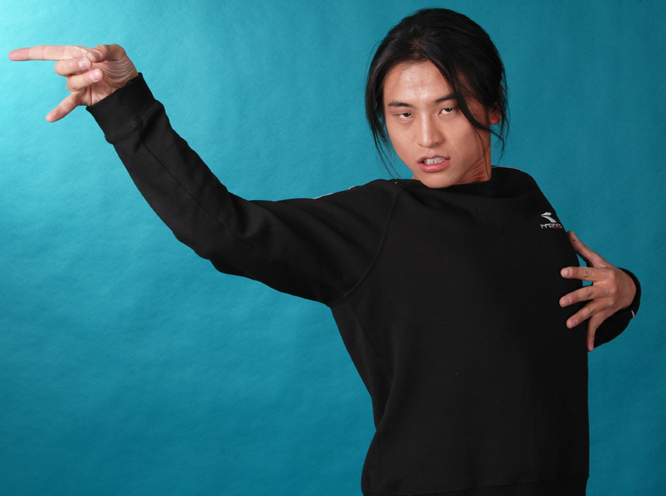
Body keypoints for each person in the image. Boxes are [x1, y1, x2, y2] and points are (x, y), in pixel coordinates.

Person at [9, 8, 640, 496]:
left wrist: (626, 292)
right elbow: (223, 229)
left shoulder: (525, 196)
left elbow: (529, 326)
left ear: (492, 105)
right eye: (402, 114)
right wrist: (123, 104)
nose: (426, 137)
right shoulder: (377, 221)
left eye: (448, 108)